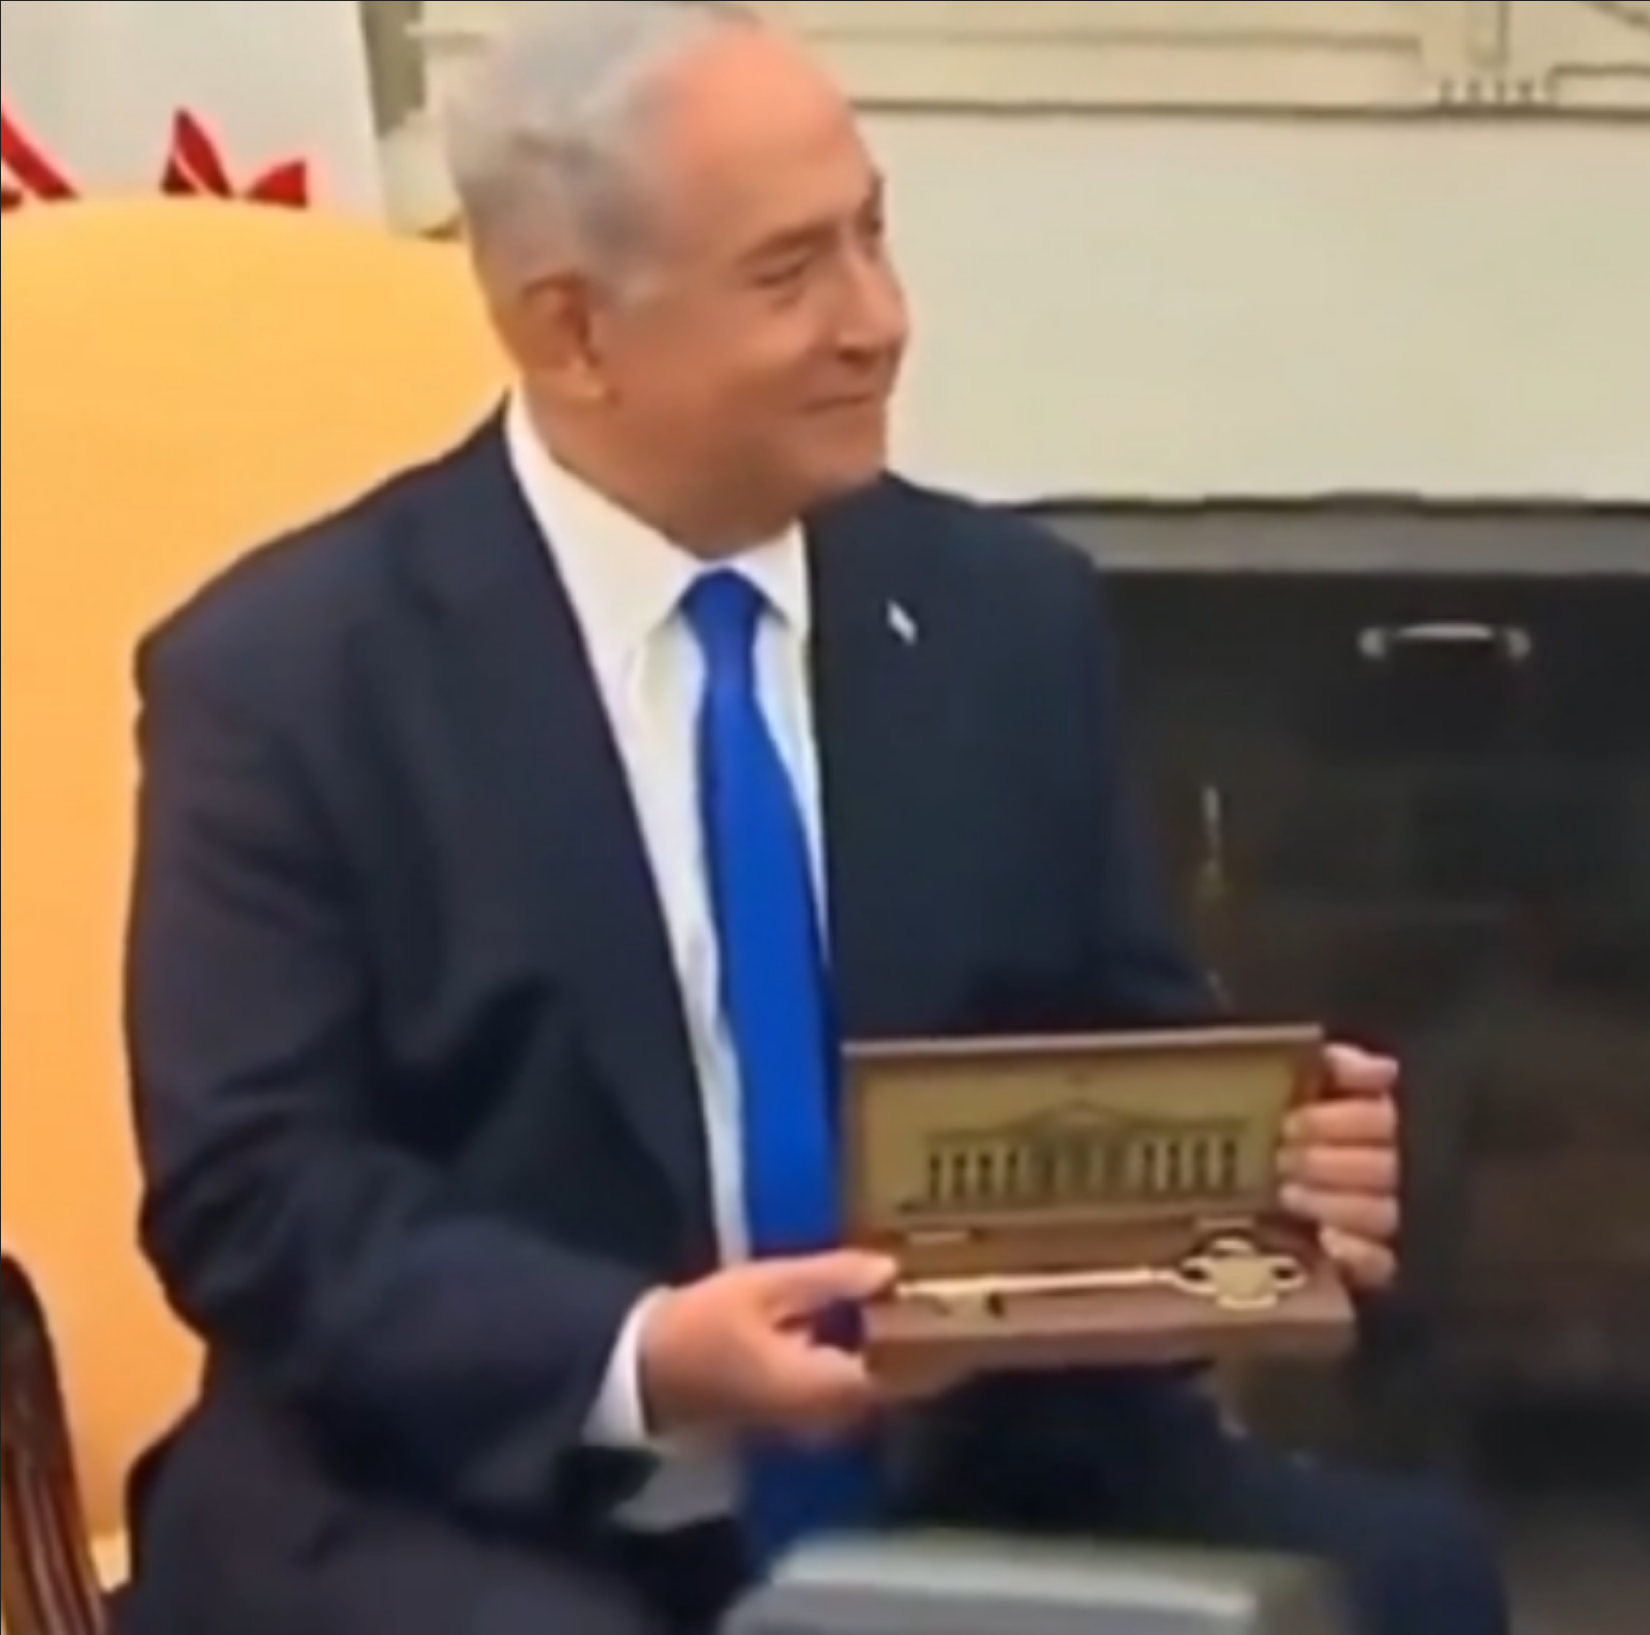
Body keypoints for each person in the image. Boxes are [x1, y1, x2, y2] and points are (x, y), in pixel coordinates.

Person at [118, 5, 1506, 1633]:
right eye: (789, 274)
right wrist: (645, 1351)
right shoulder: (293, 679)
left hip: (965, 1457)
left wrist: (1270, 1172)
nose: (878, 322)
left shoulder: (1002, 617)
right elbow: (257, 1192)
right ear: (573, 332)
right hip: (473, 1483)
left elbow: (1110, 1052)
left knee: (1408, 1577)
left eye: (872, 235)